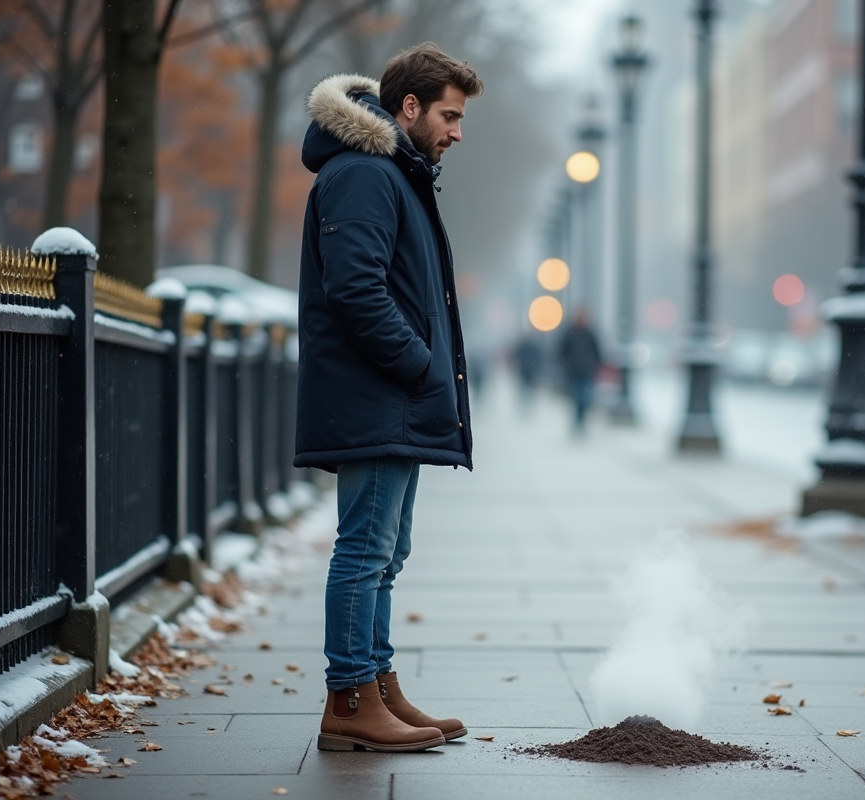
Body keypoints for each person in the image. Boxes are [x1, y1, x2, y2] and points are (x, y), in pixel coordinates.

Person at [294, 44, 482, 752]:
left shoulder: (394, 174)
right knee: (365, 548)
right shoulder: (366, 175)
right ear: (409, 107)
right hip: (377, 396)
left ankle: (375, 683)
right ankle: (348, 699)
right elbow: (356, 289)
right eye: (450, 116)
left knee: (386, 549)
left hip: (390, 397)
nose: (457, 132)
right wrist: (417, 365)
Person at [558, 309, 602, 435]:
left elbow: (597, 351)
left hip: (587, 372)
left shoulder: (590, 333)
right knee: (578, 397)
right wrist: (566, 365)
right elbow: (562, 351)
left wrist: (596, 364)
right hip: (573, 372)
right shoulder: (570, 333)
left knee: (585, 398)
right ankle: (578, 421)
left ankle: (580, 421)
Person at [513, 331, 543, 413]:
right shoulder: (534, 346)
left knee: (524, 388)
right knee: (529, 388)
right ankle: (528, 402)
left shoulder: (521, 346)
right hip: (530, 370)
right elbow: (539, 357)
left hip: (524, 370)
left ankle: (525, 403)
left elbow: (516, 356)